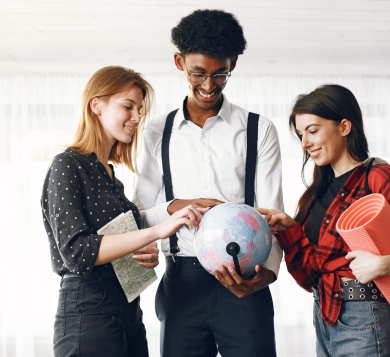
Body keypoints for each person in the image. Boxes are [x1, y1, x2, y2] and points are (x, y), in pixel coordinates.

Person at [257, 84, 390, 357]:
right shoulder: (315, 194)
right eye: (301, 135)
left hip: (368, 318)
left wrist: (385, 264)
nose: (304, 143)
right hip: (326, 316)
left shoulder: (379, 177)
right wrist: (290, 230)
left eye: (313, 131)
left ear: (345, 127)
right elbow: (310, 275)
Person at [132, 9, 283, 357]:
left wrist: (268, 275)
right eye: (197, 72)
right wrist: (176, 207)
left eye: (220, 74)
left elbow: (273, 213)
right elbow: (139, 214)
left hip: (246, 278)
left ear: (233, 64)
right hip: (181, 284)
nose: (208, 85)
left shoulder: (260, 130)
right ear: (178, 62)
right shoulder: (156, 132)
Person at [41, 66, 207, 357]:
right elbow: (78, 252)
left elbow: (116, 246)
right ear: (96, 105)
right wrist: (156, 231)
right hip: (88, 312)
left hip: (128, 311)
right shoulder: (66, 165)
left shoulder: (112, 177)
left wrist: (144, 251)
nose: (137, 117)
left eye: (140, 109)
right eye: (127, 106)